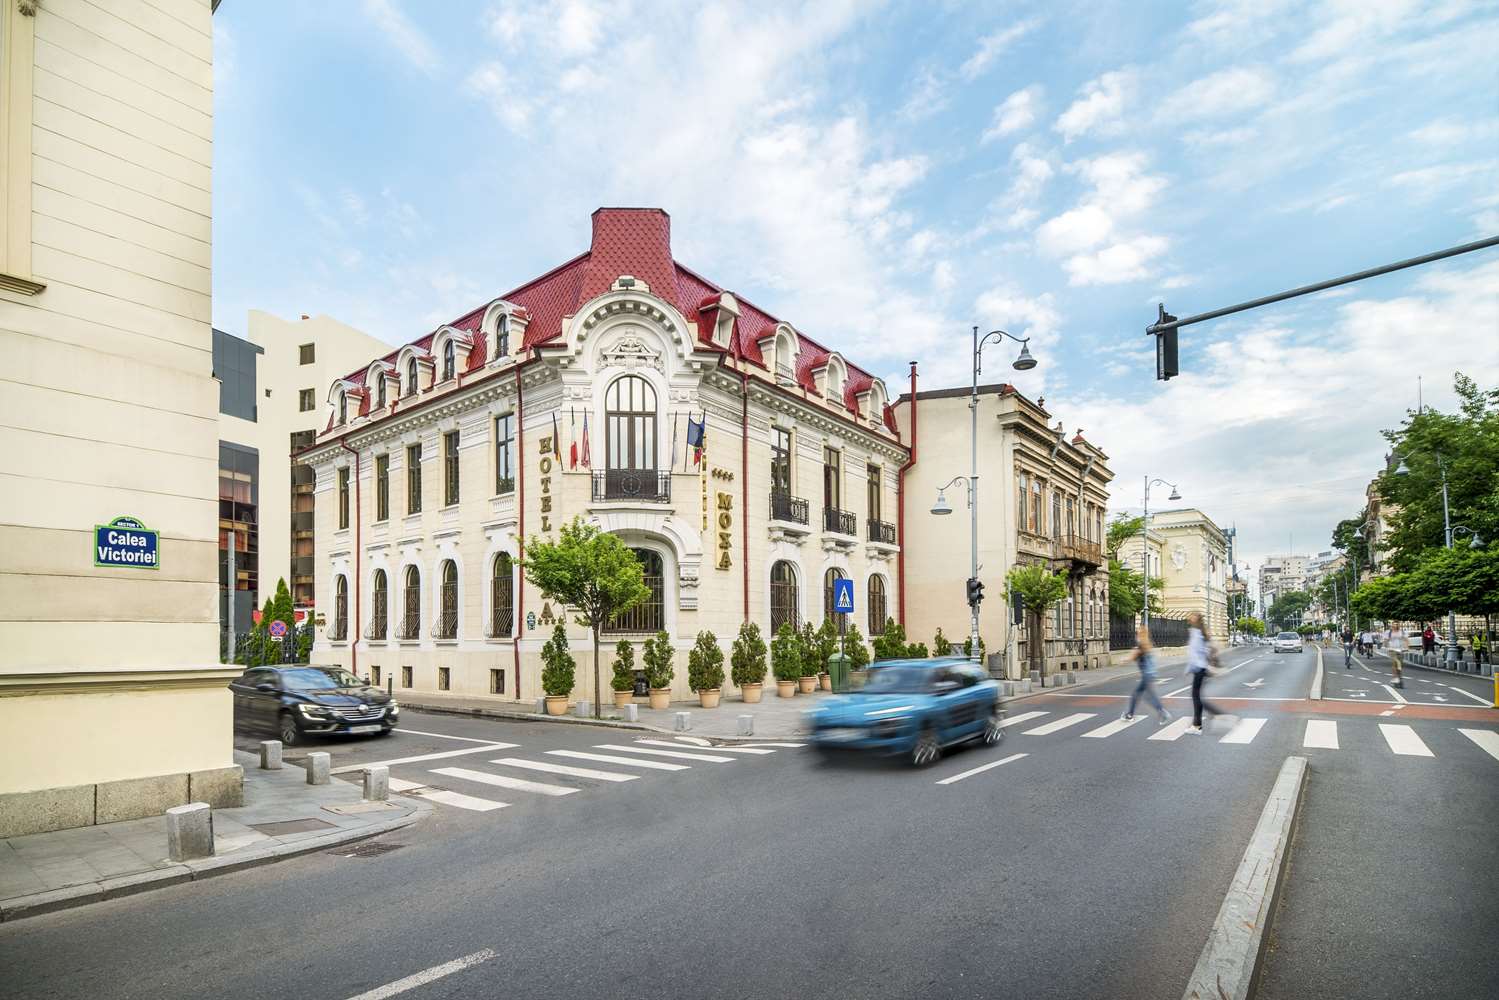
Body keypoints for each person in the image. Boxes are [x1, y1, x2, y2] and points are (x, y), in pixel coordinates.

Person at [1122, 625, 1172, 725]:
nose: (1136, 635)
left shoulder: (1141, 646)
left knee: (1146, 696)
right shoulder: (1147, 645)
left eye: (1137, 633)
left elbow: (1132, 657)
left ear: (1140, 635)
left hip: (1147, 675)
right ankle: (1130, 714)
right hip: (1151, 674)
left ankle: (1163, 713)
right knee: (1142, 695)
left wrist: (1124, 660)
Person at [1185, 612, 1224, 734]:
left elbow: (1195, 654)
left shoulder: (1196, 633)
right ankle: (1197, 725)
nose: (1189, 617)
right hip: (1201, 667)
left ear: (1196, 620)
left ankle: (1216, 716)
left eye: (1192, 616)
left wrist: (1190, 668)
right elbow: (1204, 651)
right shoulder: (1200, 632)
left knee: (1196, 697)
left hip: (1199, 668)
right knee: (1197, 697)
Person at [1385, 623, 1406, 688]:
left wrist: (1407, 647)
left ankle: (1399, 677)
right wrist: (1387, 646)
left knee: (1400, 665)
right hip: (1392, 650)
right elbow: (1386, 640)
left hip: (1400, 650)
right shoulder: (1389, 633)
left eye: (1397, 624)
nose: (1395, 626)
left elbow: (1405, 640)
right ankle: (1395, 677)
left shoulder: (1401, 632)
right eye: (1394, 624)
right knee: (1395, 662)